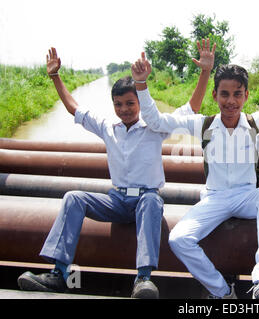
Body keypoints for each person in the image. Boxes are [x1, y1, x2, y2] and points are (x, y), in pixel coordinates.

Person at [17, 40, 216, 299]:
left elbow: (192, 108)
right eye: (118, 104)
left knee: (151, 200)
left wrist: (204, 72)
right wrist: (55, 76)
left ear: (141, 103)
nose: (124, 110)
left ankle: (143, 279)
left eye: (130, 104)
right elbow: (74, 108)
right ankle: (58, 273)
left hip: (146, 200)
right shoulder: (108, 128)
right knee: (73, 197)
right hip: (117, 200)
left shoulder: (155, 127)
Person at [131, 48, 259, 299]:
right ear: (214, 94)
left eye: (237, 94)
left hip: (246, 196)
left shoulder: (258, 121)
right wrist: (141, 84)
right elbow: (156, 121)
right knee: (178, 239)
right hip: (215, 198)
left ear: (246, 95)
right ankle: (221, 291)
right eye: (225, 94)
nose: (231, 101)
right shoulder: (203, 124)